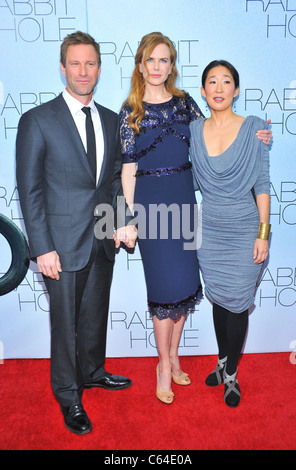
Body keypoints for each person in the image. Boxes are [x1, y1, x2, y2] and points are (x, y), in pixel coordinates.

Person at [116, 33, 272, 405]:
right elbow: (126, 170)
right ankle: (162, 365)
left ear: (172, 66)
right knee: (162, 290)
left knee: (185, 287)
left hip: (185, 204)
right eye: (151, 60)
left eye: (165, 60)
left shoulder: (186, 105)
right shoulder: (130, 111)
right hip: (151, 208)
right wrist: (130, 216)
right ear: (140, 64)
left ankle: (174, 356)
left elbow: (216, 131)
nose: (157, 67)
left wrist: (258, 135)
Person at [16, 31, 135, 435]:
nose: (83, 71)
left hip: (102, 240)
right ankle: (69, 395)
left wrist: (123, 221)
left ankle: (93, 370)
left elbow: (114, 181)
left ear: (99, 69)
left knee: (94, 315)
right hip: (60, 247)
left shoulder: (110, 120)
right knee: (64, 324)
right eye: (75, 63)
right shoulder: (37, 120)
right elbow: (29, 190)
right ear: (63, 67)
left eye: (90, 64)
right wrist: (42, 248)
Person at [190, 60, 271, 408]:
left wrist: (263, 233)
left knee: (237, 304)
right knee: (220, 299)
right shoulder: (193, 130)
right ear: (204, 90)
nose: (219, 88)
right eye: (212, 81)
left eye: (226, 82)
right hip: (209, 232)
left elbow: (263, 184)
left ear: (236, 90)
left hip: (245, 230)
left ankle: (232, 373)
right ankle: (222, 362)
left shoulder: (254, 128)